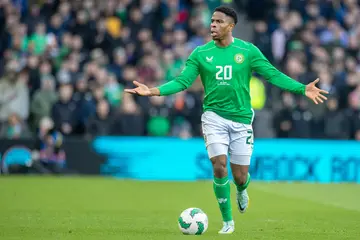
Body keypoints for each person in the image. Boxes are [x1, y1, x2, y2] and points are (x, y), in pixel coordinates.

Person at [125, 6, 328, 234]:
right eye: (212, 21)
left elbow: (272, 74)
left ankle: (242, 189)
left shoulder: (247, 51)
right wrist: (153, 91)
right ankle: (227, 222)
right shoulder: (200, 54)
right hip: (213, 117)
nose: (213, 25)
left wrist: (302, 89)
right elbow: (182, 81)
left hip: (241, 120)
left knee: (240, 176)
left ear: (230, 26)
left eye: (219, 22)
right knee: (219, 166)